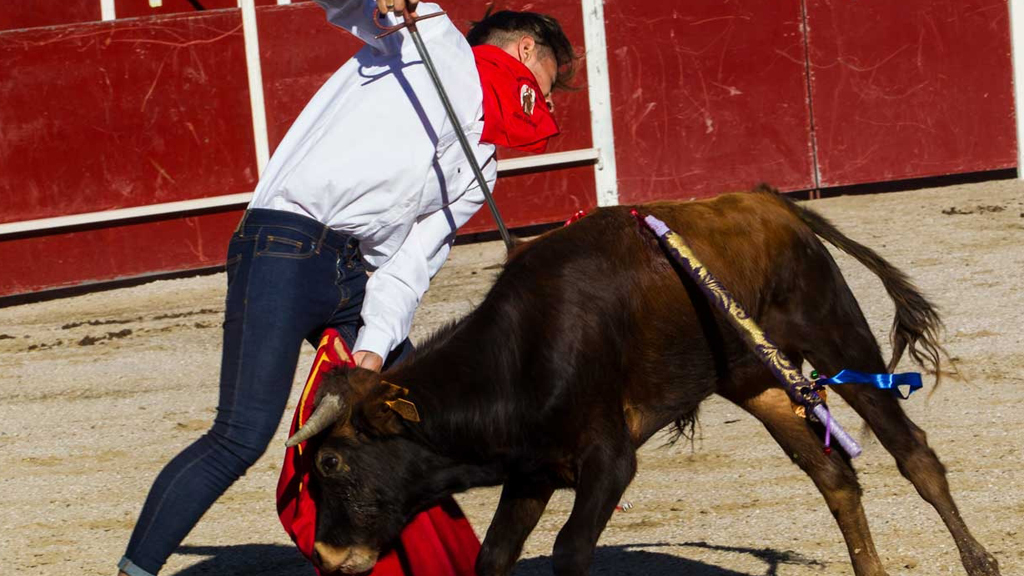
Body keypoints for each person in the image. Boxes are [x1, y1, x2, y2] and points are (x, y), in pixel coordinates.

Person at [116, 1, 576, 575]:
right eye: (549, 82)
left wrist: (373, 347)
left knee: (415, 415)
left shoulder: (481, 163)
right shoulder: (429, 35)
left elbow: (409, 263)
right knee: (241, 435)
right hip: (283, 246)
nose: (547, 101)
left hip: (352, 274)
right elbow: (348, 6)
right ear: (526, 49)